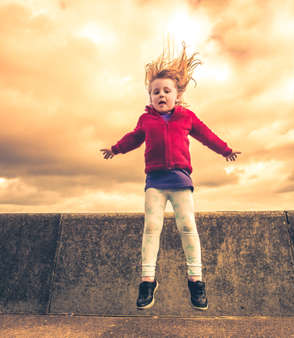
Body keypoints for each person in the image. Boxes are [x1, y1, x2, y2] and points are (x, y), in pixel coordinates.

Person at [100, 42, 241, 311]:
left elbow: (206, 135)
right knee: (152, 228)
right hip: (155, 181)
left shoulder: (186, 117)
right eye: (155, 92)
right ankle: (147, 282)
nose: (160, 95)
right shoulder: (146, 121)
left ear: (177, 94)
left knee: (187, 227)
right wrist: (116, 149)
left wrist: (225, 150)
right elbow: (133, 138)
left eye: (166, 91)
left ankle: (196, 282)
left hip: (180, 181)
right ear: (150, 97)